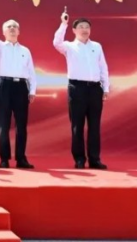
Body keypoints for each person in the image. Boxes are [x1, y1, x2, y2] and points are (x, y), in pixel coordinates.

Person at [53, 9, 109, 170]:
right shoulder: (69, 46)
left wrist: (105, 87)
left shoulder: (97, 46)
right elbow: (56, 42)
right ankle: (79, 159)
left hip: (95, 89)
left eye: (87, 27)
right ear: (74, 30)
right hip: (77, 88)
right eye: (81, 27)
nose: (85, 30)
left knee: (94, 126)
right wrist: (63, 23)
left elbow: (103, 67)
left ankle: (94, 159)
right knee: (77, 125)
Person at [0, 0, 36, 169]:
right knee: (4, 124)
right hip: (5, 86)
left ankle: (21, 158)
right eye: (9, 27)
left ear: (19, 31)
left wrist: (32, 90)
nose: (12, 29)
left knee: (21, 125)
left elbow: (31, 72)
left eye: (15, 27)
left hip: (21, 87)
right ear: (4, 32)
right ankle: (4, 159)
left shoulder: (25, 50)